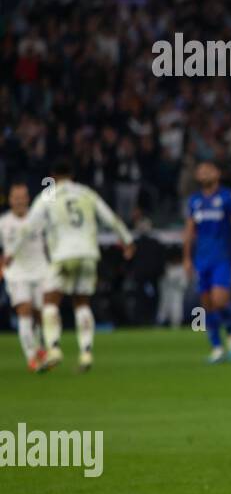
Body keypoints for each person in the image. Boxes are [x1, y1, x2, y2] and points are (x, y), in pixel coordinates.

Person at [4, 159, 135, 372]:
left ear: (53, 177)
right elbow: (110, 217)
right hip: (88, 253)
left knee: (49, 301)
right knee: (82, 303)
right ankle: (86, 353)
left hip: (64, 255)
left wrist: (9, 253)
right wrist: (127, 240)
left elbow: (27, 227)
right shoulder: (86, 193)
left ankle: (54, 348)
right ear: (72, 176)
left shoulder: (49, 195)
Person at [182, 161, 231, 364]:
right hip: (202, 259)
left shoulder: (228, 197)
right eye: (200, 170)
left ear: (218, 173)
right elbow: (189, 231)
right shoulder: (194, 201)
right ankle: (217, 348)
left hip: (222, 258)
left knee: (219, 301)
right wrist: (186, 258)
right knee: (206, 306)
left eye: (208, 169)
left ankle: (230, 331)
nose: (203, 172)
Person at [0, 182, 55, 370]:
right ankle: (32, 357)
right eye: (16, 198)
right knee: (25, 310)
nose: (20, 201)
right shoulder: (3, 223)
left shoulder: (38, 219)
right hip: (17, 274)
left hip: (41, 271)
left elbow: (50, 241)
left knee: (41, 314)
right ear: (10, 200)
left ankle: (40, 347)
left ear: (28, 198)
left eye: (23, 197)